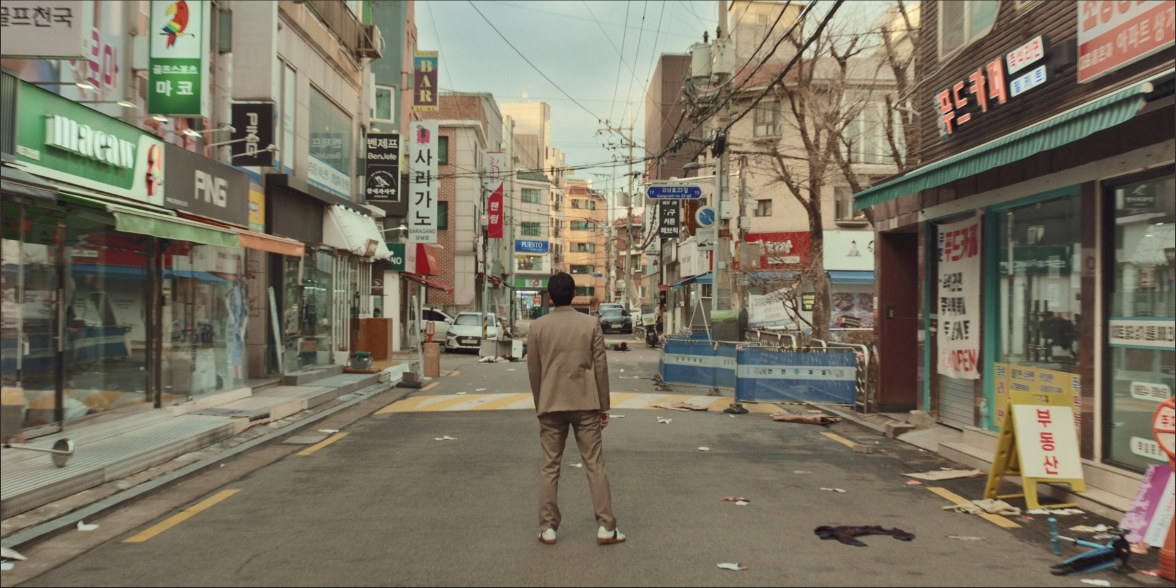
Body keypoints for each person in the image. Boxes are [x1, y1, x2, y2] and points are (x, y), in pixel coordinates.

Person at [527, 272, 624, 546]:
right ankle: (606, 527)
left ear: (549, 297)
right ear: (573, 295)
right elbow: (600, 367)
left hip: (550, 405)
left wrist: (541, 403)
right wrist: (604, 407)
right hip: (586, 404)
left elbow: (534, 370)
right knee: (594, 464)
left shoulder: (537, 326)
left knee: (550, 466)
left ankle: (548, 529)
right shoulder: (591, 324)